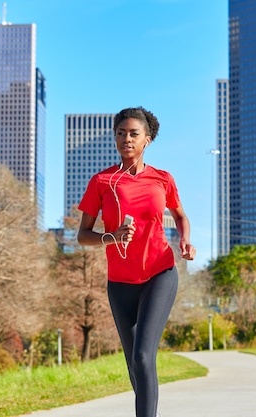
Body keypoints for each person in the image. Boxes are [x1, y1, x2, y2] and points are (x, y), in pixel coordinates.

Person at [77, 107, 195, 417]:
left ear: (148, 140)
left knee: (143, 356)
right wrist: (112, 237)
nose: (126, 138)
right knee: (133, 363)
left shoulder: (162, 179)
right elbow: (83, 235)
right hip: (121, 282)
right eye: (120, 133)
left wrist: (184, 239)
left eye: (133, 134)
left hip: (160, 272)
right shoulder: (102, 181)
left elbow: (180, 216)